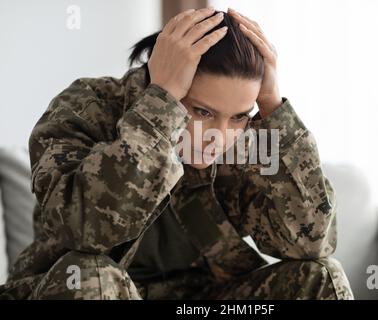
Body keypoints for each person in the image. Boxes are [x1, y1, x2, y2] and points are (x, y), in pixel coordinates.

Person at [0, 7, 353, 300]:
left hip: (200, 303)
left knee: (320, 276)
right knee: (93, 275)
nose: (219, 136)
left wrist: (273, 108)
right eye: (202, 112)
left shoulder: (249, 141)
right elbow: (86, 232)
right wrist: (160, 105)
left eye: (238, 117)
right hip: (86, 291)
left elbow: (312, 243)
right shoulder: (86, 108)